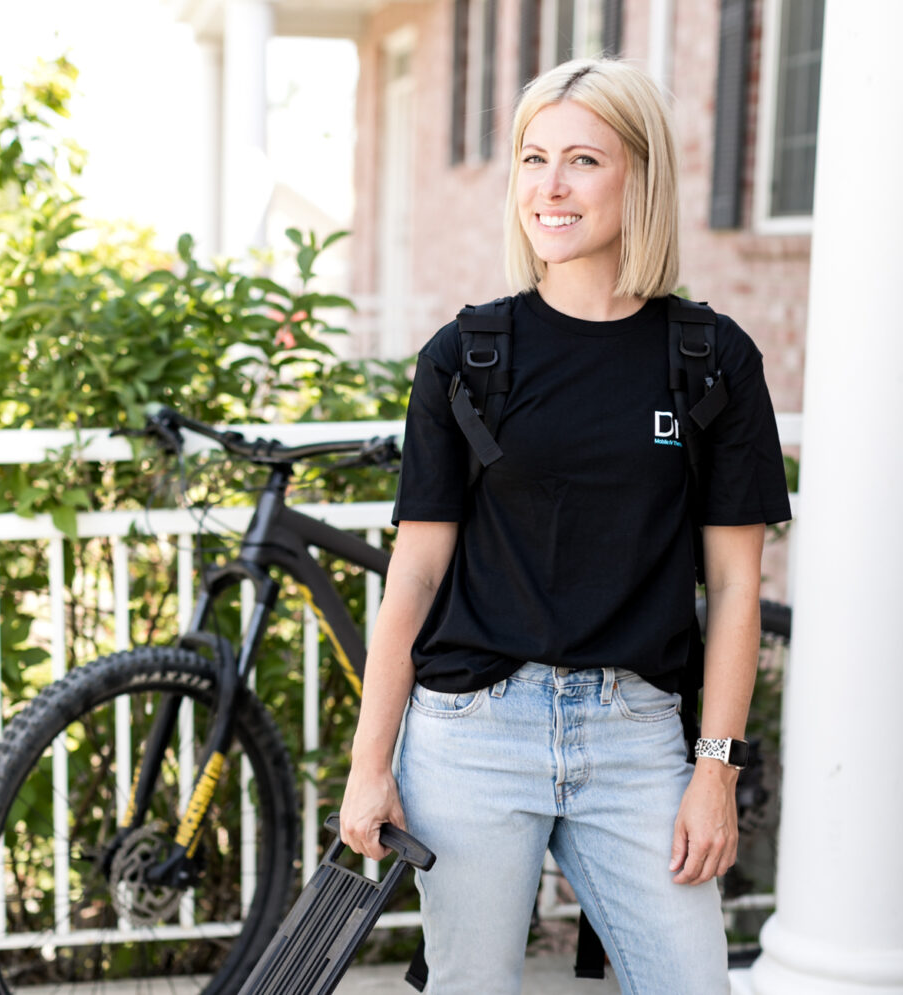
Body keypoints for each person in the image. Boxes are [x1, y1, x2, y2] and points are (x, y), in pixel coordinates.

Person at [339, 57, 791, 995]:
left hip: (636, 737)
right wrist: (368, 763)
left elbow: (739, 584)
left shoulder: (712, 362)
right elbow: (414, 575)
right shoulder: (467, 356)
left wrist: (716, 770)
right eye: (533, 158)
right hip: (472, 734)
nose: (550, 187)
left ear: (642, 175)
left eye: (583, 159)